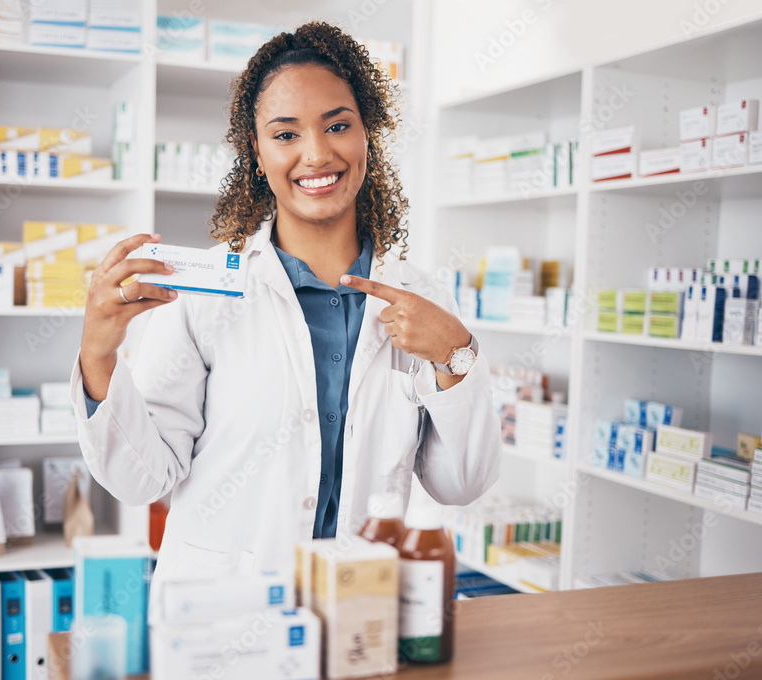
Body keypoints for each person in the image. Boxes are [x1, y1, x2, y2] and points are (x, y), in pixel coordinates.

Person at [71, 22, 500, 588]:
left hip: (360, 610)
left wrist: (457, 355)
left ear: (367, 134)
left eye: (338, 126)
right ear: (258, 151)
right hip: (225, 616)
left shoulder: (422, 300)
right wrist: (98, 354)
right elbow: (144, 477)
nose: (317, 155)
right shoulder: (207, 294)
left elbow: (459, 484)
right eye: (286, 134)